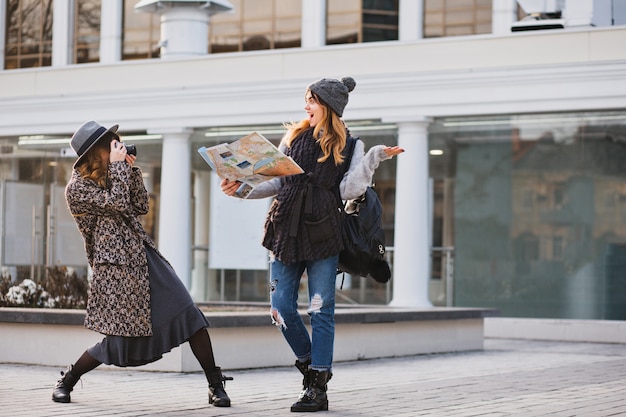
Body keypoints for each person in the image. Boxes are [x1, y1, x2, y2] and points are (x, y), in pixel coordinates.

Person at [220, 76, 403, 412]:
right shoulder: (293, 137)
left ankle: (317, 388)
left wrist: (373, 159)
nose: (306, 106)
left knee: (321, 310)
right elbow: (277, 184)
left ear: (329, 107)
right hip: (284, 230)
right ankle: (311, 366)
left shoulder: (351, 144)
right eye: (306, 99)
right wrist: (241, 189)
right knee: (280, 309)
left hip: (323, 233)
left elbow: (350, 191)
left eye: (312, 100)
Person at [52, 121, 231, 407]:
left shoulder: (116, 173)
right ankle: (68, 379)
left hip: (145, 258)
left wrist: (131, 170)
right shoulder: (77, 189)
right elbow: (117, 204)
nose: (118, 148)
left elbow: (139, 205)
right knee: (118, 341)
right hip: (117, 268)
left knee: (190, 316)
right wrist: (120, 168)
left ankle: (215, 384)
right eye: (112, 145)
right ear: (97, 152)